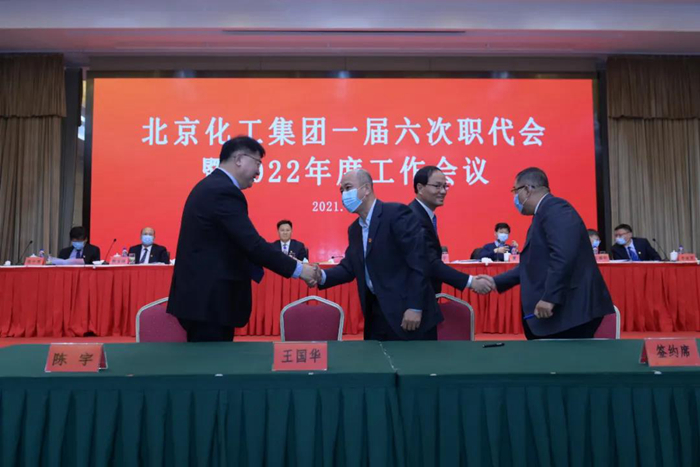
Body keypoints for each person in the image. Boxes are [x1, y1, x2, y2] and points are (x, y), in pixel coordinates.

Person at [167, 136, 318, 342]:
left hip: (204, 301)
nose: (258, 172)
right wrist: (300, 270)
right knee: (211, 359)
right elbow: (252, 244)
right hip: (210, 303)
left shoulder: (212, 186)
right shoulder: (222, 191)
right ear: (238, 159)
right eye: (257, 163)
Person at [478, 167, 614, 339]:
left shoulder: (556, 209)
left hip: (571, 311)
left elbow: (563, 256)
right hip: (563, 313)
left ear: (527, 189)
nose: (515, 198)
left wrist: (550, 297)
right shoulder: (542, 214)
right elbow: (532, 264)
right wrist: (495, 281)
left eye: (515, 191)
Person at [315, 169, 442, 341]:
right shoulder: (355, 229)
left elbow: (419, 261)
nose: (344, 195)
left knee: (415, 359)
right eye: (341, 190)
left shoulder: (396, 213)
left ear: (366, 189)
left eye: (348, 188)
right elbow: (349, 267)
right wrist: (321, 276)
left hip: (409, 314)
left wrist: (415, 306)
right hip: (377, 314)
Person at [408, 166, 492, 294]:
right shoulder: (414, 217)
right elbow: (430, 262)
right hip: (416, 296)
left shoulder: (423, 215)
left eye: (445, 186)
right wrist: (471, 282)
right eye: (437, 186)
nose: (443, 191)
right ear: (420, 188)